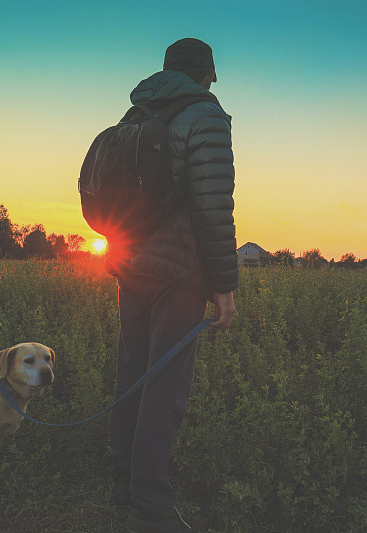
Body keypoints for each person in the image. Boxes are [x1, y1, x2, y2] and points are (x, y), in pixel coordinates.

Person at [106, 38, 238, 533]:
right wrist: (223, 286)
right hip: (178, 273)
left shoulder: (134, 112)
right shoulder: (207, 115)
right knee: (165, 387)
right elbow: (212, 205)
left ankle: (124, 482)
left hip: (131, 264)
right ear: (207, 75)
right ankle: (151, 508)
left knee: (132, 372)